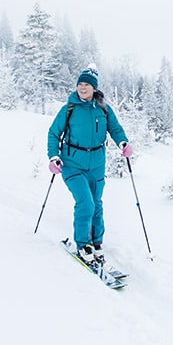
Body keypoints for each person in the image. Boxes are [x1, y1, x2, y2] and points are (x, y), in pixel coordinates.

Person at [47, 67, 132, 266]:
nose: (83, 88)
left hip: (97, 164)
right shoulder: (69, 108)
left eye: (87, 85)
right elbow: (53, 133)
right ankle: (83, 244)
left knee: (97, 203)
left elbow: (115, 129)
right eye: (80, 84)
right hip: (72, 163)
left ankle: (96, 242)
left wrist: (123, 143)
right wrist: (53, 157)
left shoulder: (103, 108)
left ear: (94, 88)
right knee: (86, 203)